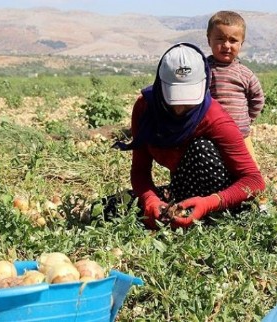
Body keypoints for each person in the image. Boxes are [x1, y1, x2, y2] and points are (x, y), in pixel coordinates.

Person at [112, 42, 265, 229]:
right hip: (183, 188)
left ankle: (209, 219)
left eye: (188, 102)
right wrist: (150, 200)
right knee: (109, 208)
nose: (179, 109)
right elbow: (140, 170)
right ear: (160, 86)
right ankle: (179, 213)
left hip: (221, 196)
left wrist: (210, 202)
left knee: (201, 148)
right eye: (173, 99)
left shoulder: (214, 117)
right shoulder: (146, 109)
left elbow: (254, 181)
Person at [206, 11, 265, 165]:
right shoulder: (203, 70)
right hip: (210, 135)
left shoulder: (245, 74)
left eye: (233, 40)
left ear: (241, 44)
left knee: (250, 173)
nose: (226, 45)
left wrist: (247, 119)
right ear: (209, 40)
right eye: (220, 39)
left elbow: (257, 98)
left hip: (241, 134)